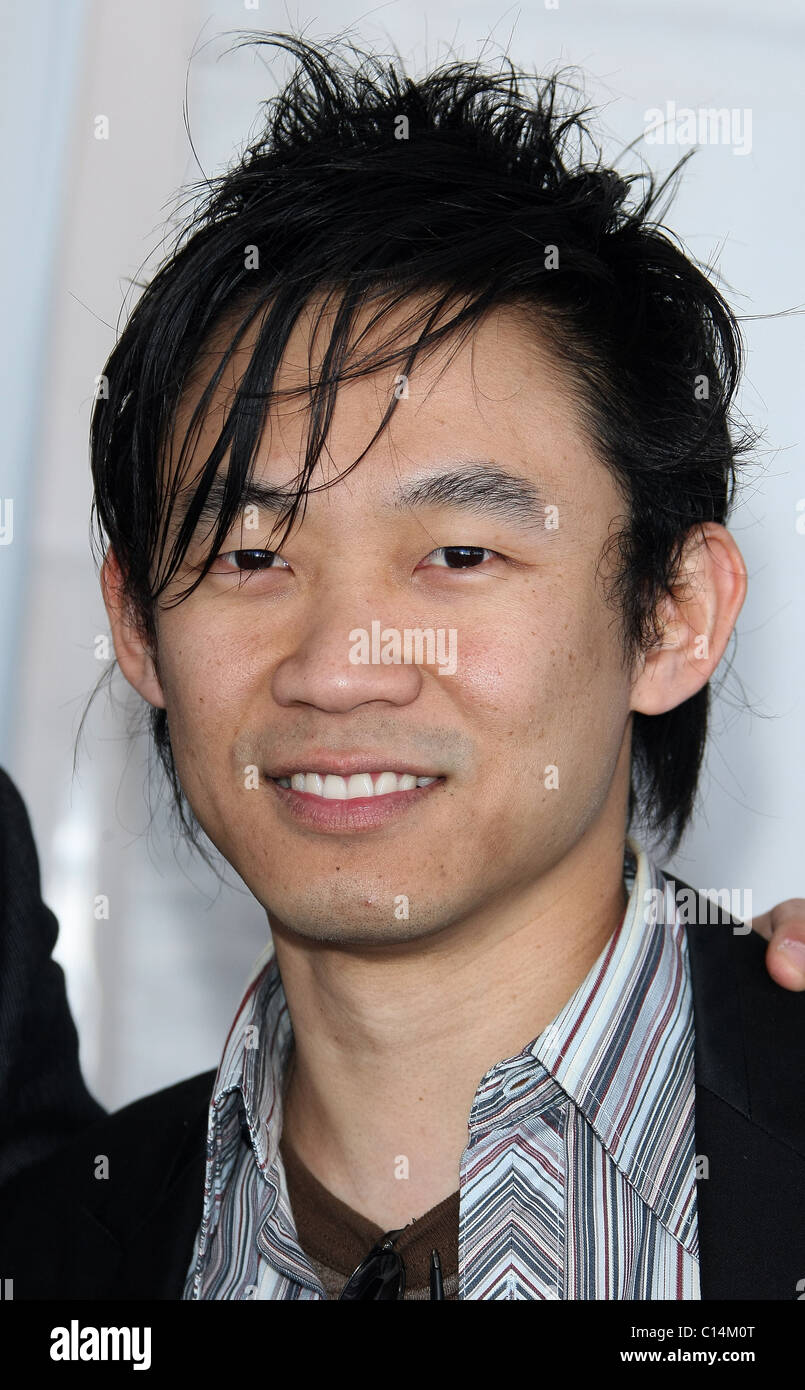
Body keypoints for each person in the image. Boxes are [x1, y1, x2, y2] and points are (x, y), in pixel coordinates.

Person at [0, 33, 802, 1300]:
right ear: (139, 629)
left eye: (460, 552)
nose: (340, 666)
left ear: (671, 615)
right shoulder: (50, 1249)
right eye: (250, 556)